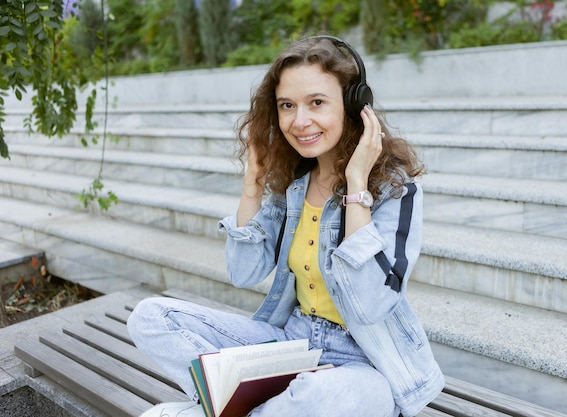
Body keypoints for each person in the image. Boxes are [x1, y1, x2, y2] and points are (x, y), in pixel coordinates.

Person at [127, 35, 445, 417]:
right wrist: (253, 186)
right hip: (292, 343)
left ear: (353, 106)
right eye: (287, 106)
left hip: (363, 366)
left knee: (318, 395)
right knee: (150, 318)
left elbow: (371, 305)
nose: (300, 121)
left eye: (316, 103)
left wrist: (357, 187)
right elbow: (244, 272)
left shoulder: (395, 190)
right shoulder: (294, 185)